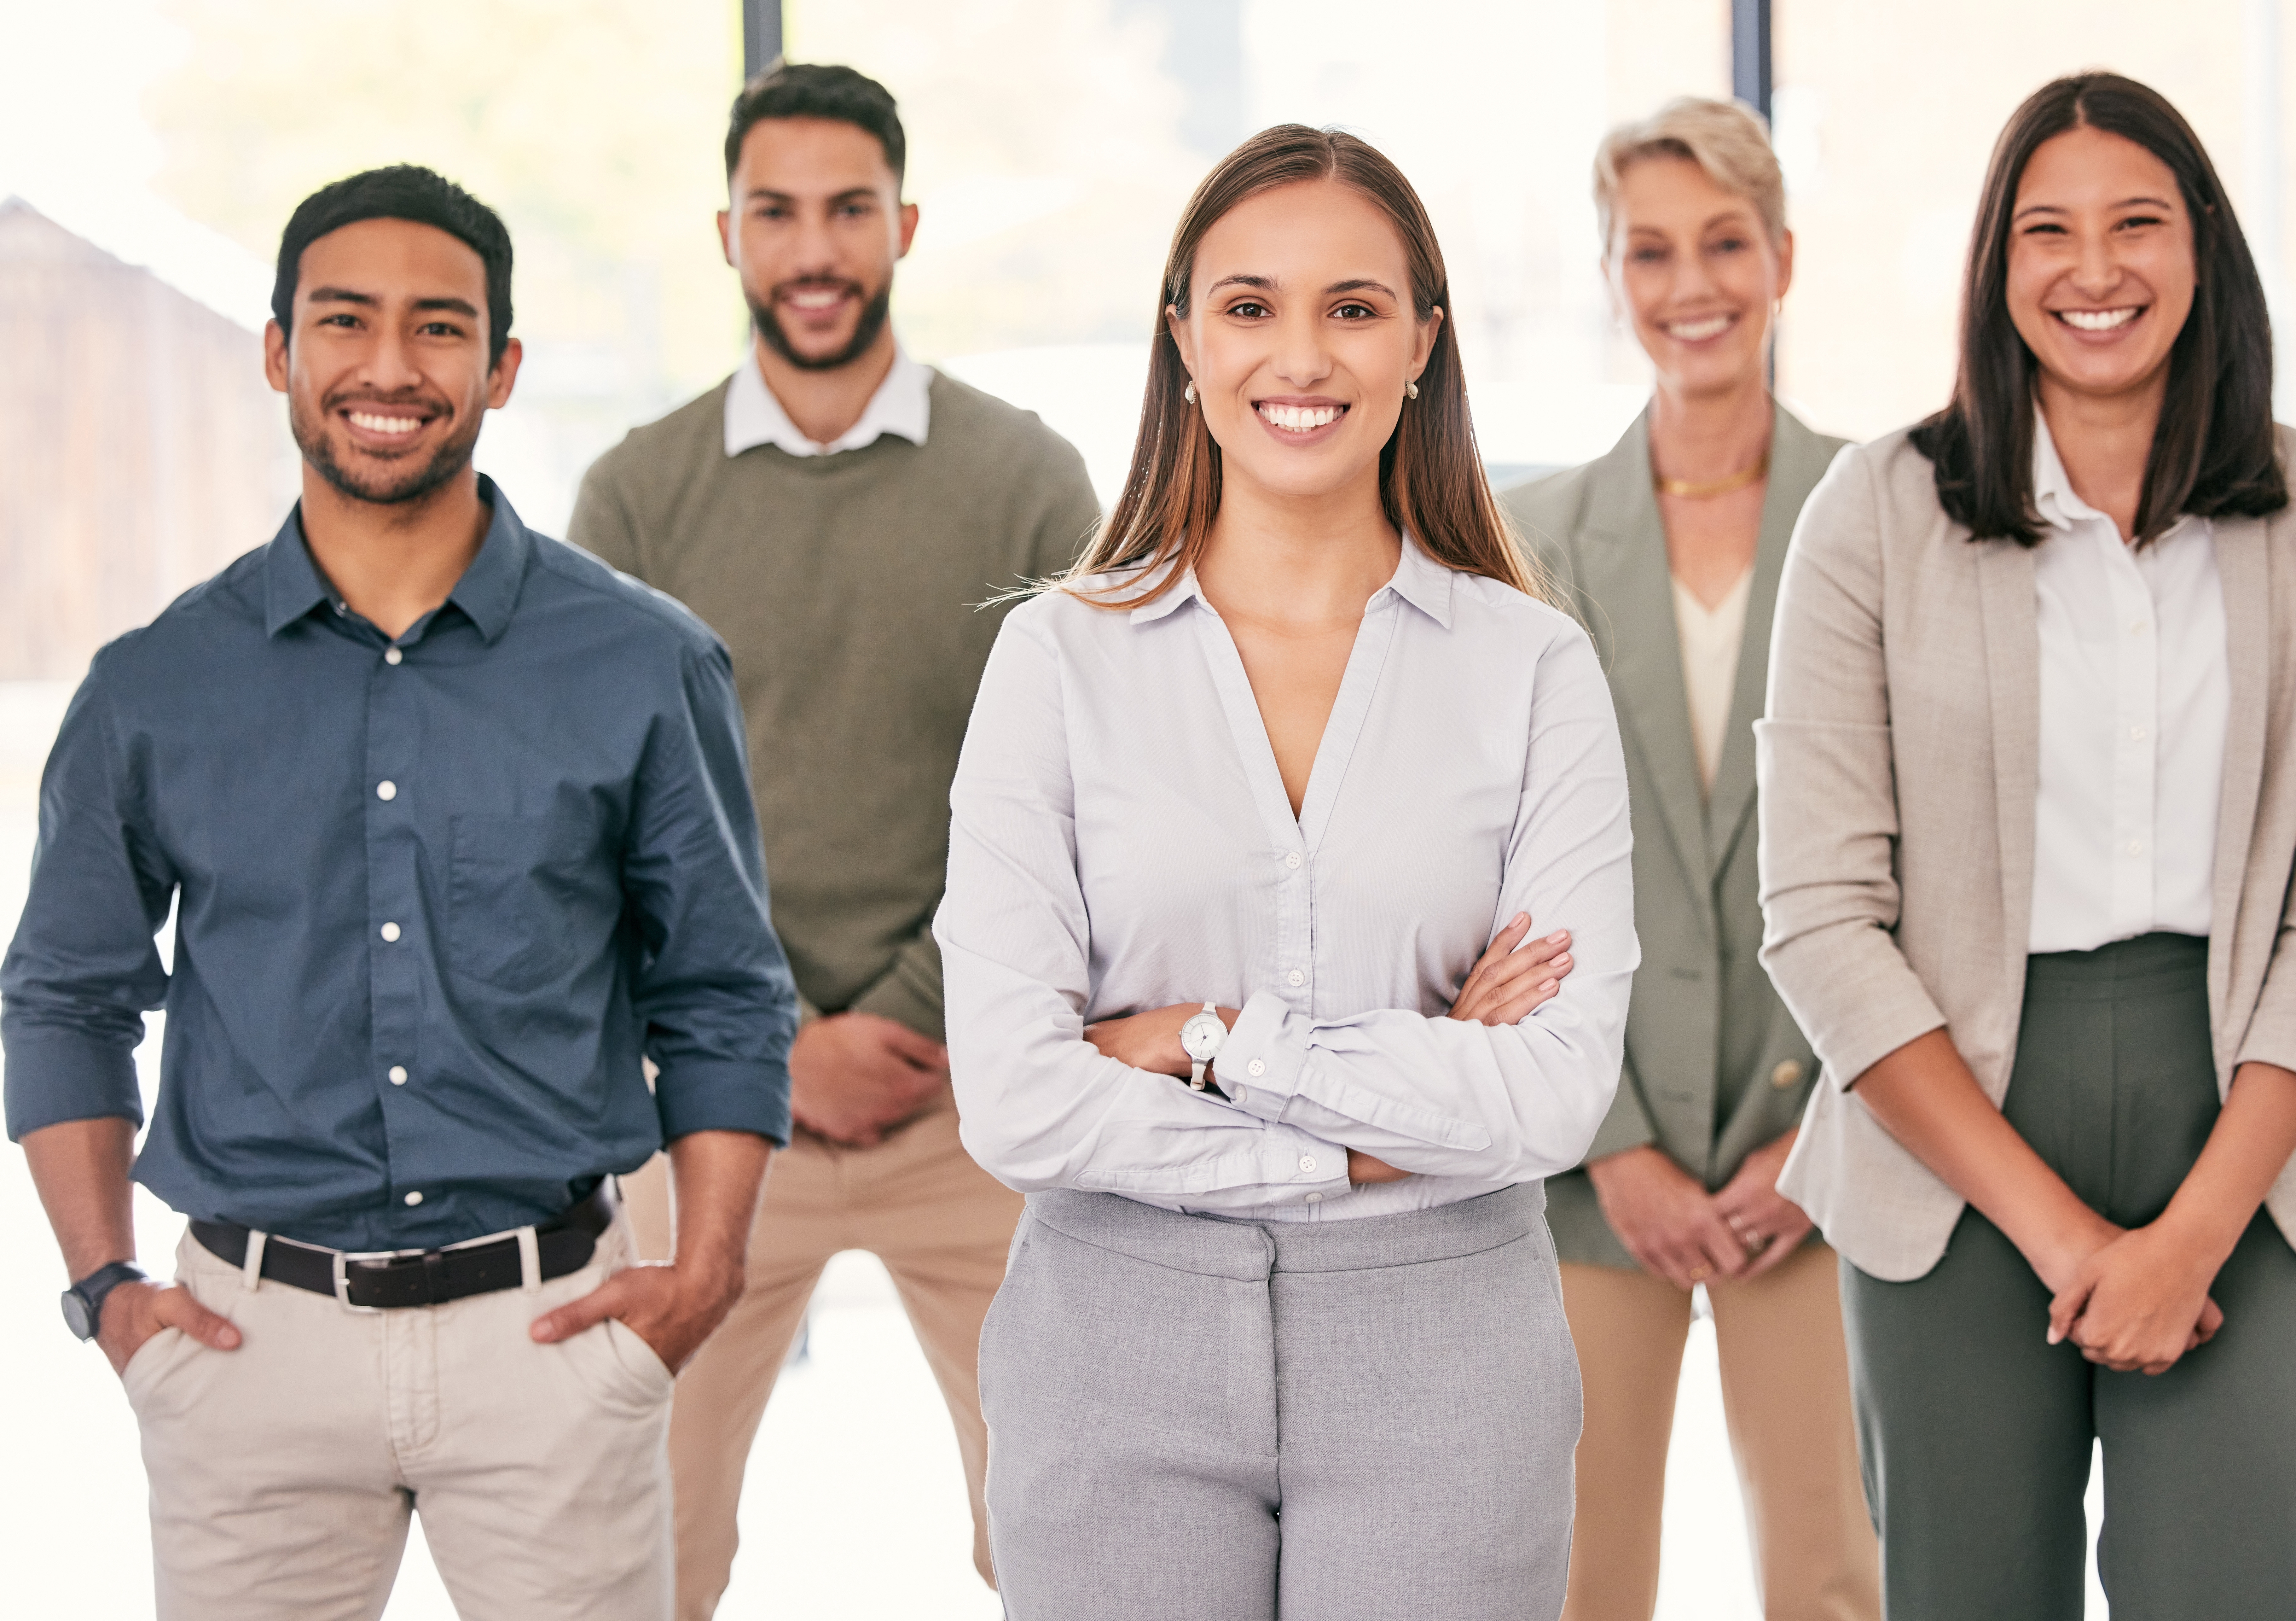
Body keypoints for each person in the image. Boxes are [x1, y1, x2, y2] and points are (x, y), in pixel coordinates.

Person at [2, 165, 796, 1620]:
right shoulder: (155, 687)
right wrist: (108, 1290)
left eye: (438, 328)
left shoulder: (641, 663)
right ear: (278, 352)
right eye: (343, 321)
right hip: (248, 1350)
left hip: (551, 1333)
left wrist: (706, 1273)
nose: (387, 367)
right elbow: (64, 995)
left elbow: (723, 988)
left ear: (498, 365)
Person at [935, 124, 1640, 1619]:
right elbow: (1014, 1095)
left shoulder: (1533, 668)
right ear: (1183, 340)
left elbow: (1553, 1091)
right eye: (1249, 307)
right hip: (1111, 1338)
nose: (1299, 356)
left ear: (1422, 346)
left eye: (1353, 307)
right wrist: (1407, 1098)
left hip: (1447, 1345)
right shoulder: (1054, 660)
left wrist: (1204, 1046)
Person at [1758, 74, 2296, 1619]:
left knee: (2226, 1596)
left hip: (2245, 1112)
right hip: (1950, 1127)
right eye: (2043, 232)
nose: (2093, 269)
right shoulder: (1873, 511)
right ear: (1996, 271)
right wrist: (2061, 1233)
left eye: (2136, 221)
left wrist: (2190, 1233)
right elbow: (1818, 911)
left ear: (2205, 248)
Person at [567, 61, 1098, 1613]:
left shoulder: (1025, 481)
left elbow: (1079, 794)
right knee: (641, 1539)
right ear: (726, 233)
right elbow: (602, 824)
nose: (814, 250)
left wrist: (916, 1017)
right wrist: (775, 1040)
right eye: (776, 213)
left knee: (1067, 1530)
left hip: (977, 1100)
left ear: (903, 225)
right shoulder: (639, 495)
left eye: (848, 211)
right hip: (718, 1110)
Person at [1503, 97, 1878, 1621]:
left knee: (1834, 1572)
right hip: (1599, 1163)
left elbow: (1919, 864)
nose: (1689, 283)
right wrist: (1606, 1135)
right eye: (1648, 250)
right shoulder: (1525, 539)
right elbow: (1493, 873)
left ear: (1781, 258)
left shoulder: (1884, 514)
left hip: (1825, 1151)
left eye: (1723, 241)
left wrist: (1832, 1128)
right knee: (1576, 1576)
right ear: (1611, 275)